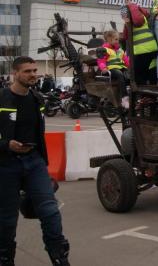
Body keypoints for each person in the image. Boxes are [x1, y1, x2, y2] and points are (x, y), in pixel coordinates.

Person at [0, 57, 70, 266]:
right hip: (6, 164)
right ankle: (5, 258)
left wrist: (41, 159)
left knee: (50, 211)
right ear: (15, 74)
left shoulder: (37, 99)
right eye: (27, 71)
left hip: (34, 162)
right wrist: (6, 145)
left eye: (34, 70)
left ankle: (59, 256)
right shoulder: (2, 98)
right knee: (7, 218)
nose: (33, 74)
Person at [121, 0, 158, 85]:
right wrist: (126, 23)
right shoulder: (131, 22)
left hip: (145, 50)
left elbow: (137, 21)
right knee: (146, 73)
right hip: (144, 50)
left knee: (140, 74)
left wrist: (132, 5)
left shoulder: (140, 17)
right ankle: (147, 95)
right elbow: (126, 36)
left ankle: (146, 94)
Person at [96, 30, 130, 109]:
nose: (118, 41)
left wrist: (130, 67)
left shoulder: (120, 50)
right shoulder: (104, 49)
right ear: (109, 39)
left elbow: (126, 61)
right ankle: (124, 98)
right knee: (120, 75)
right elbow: (101, 60)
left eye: (118, 39)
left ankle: (129, 93)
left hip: (121, 68)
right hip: (111, 69)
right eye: (116, 39)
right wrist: (103, 68)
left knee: (129, 75)